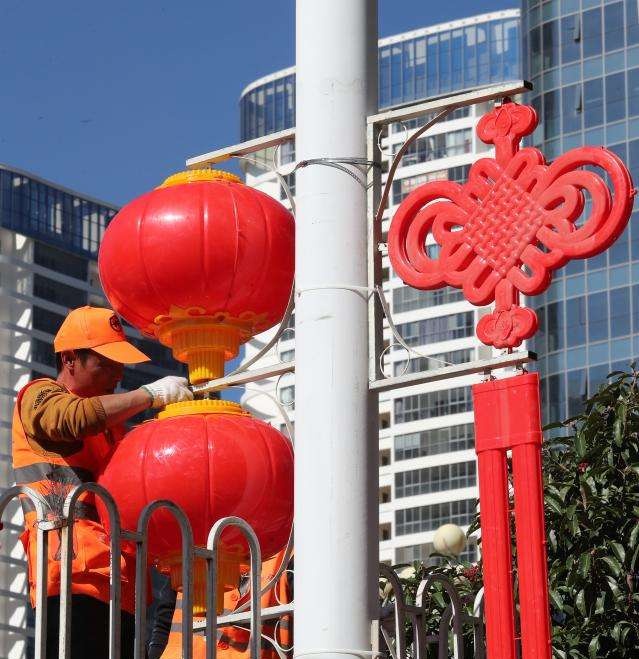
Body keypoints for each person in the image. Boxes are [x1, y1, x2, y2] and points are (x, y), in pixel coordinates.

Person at [12, 306, 193, 659]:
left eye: (119, 363)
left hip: (120, 586)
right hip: (70, 577)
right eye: (105, 363)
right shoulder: (39, 396)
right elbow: (69, 419)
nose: (118, 373)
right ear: (70, 359)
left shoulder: (112, 429)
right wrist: (149, 395)